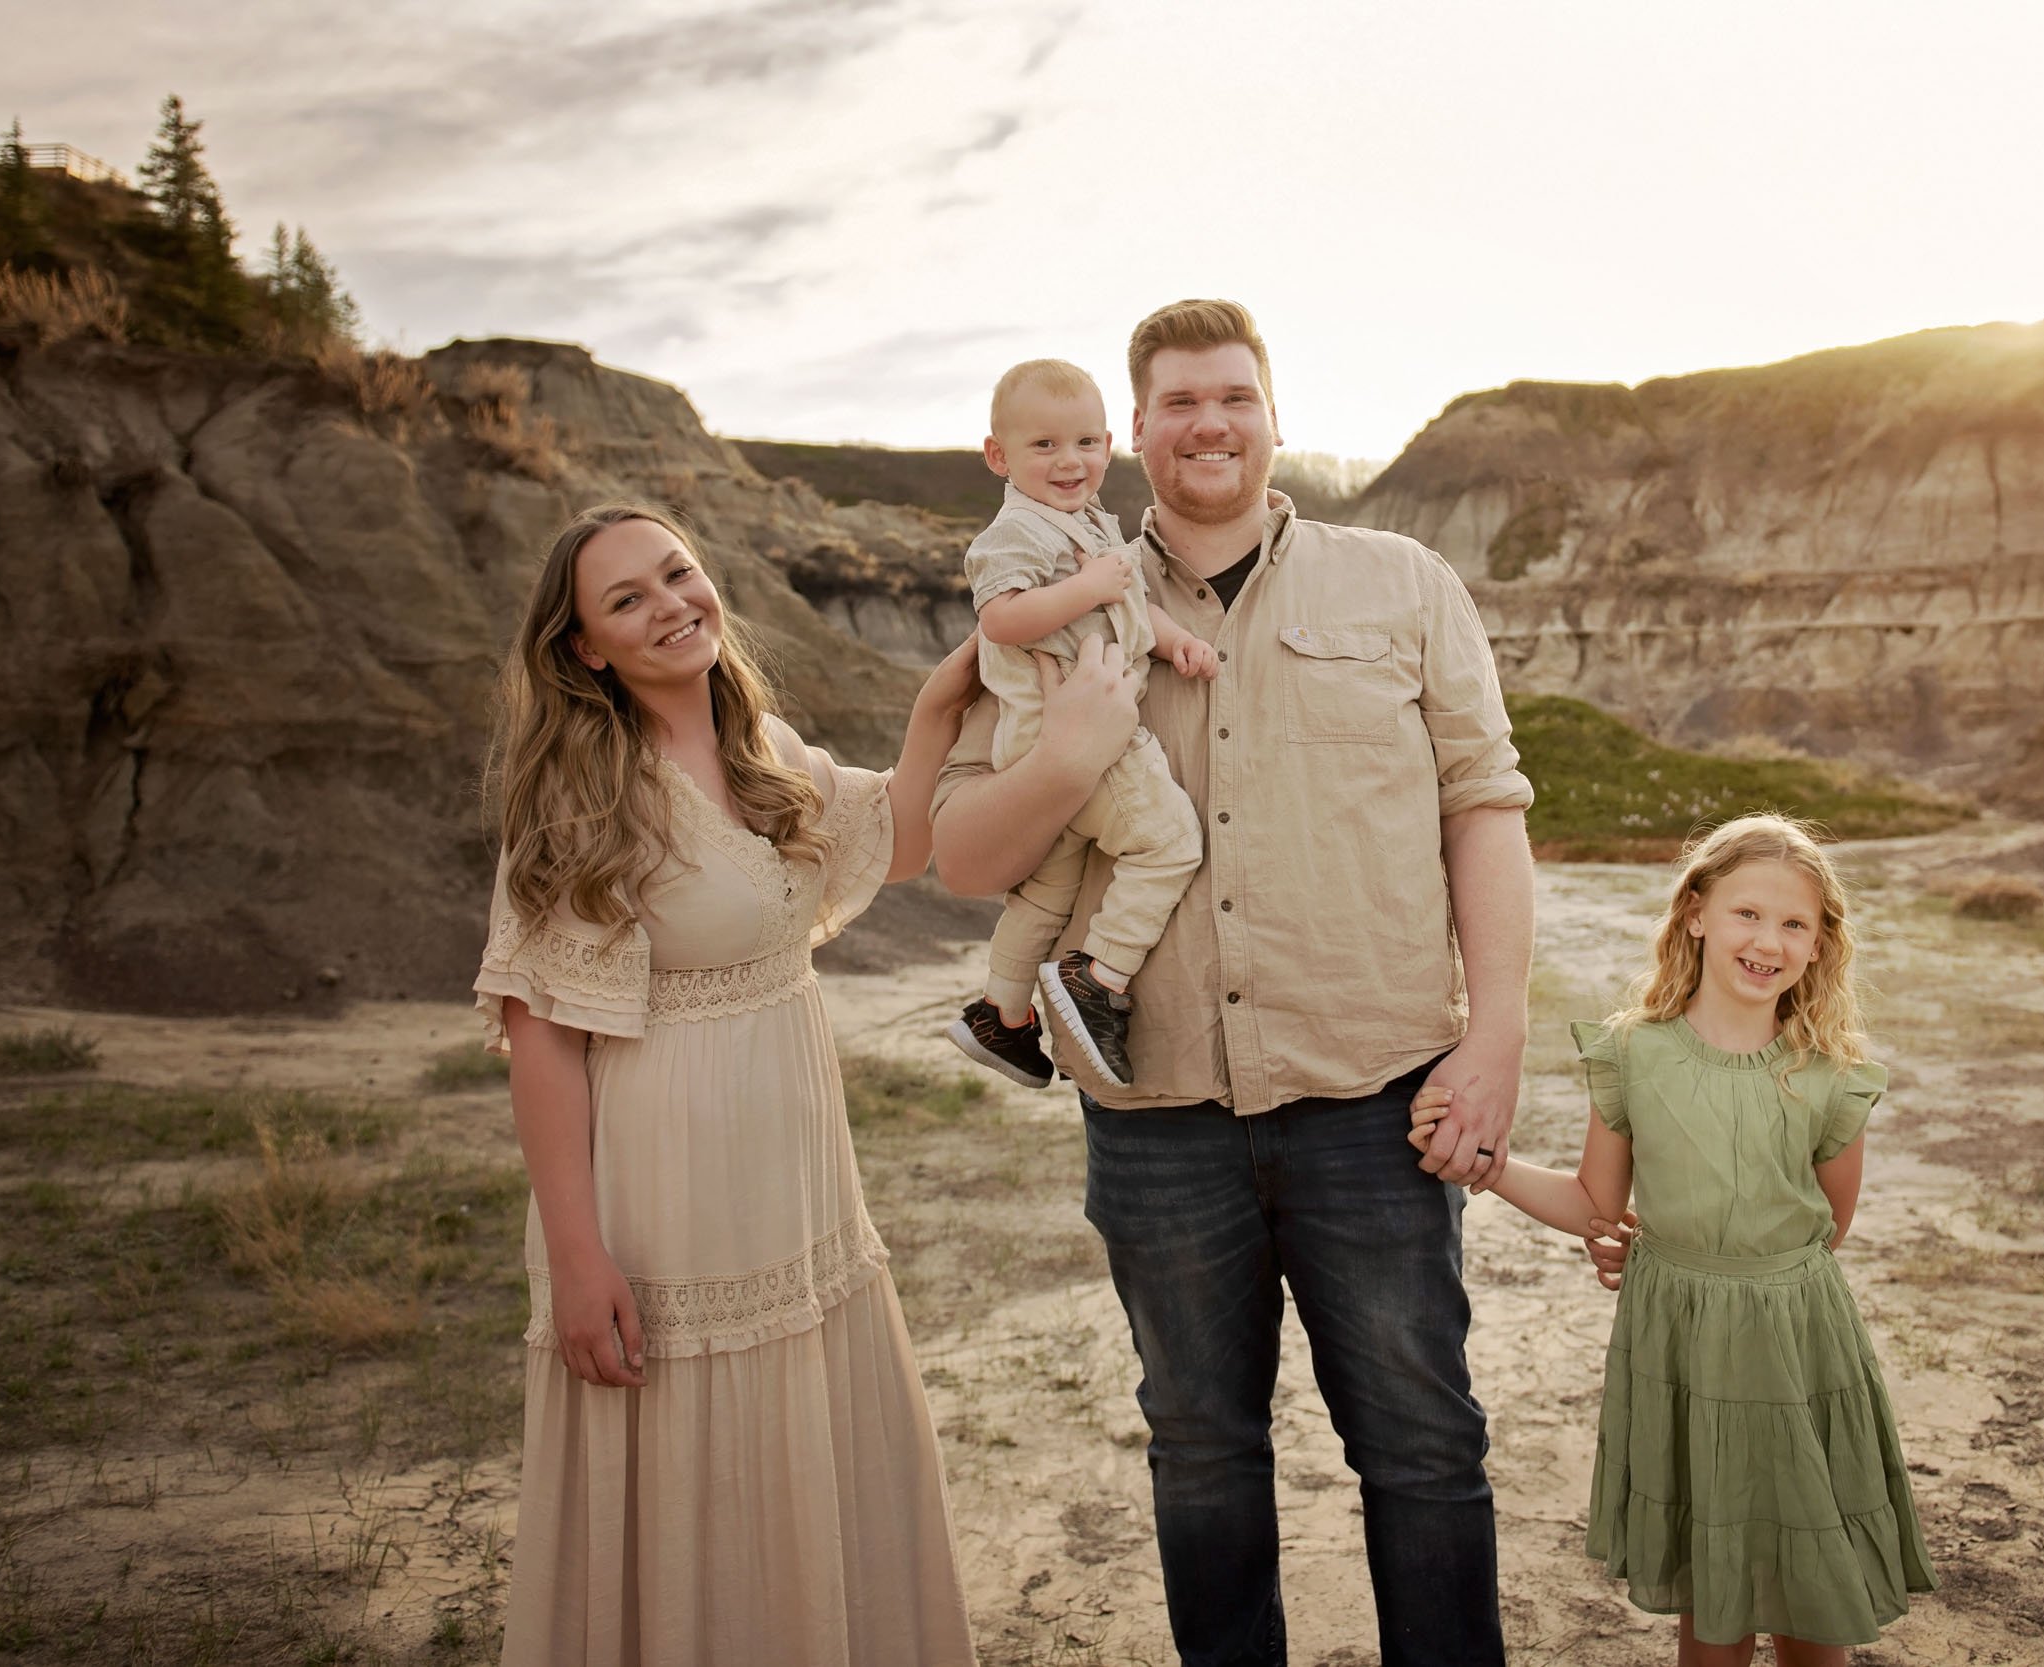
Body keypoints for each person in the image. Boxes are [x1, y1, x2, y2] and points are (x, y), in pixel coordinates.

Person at [931, 299, 1535, 1667]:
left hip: (1372, 1101)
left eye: (1234, 397)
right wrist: (1065, 753)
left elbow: (1484, 809)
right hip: (1155, 1116)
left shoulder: (1404, 583)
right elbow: (964, 855)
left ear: (1274, 416)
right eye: (1178, 403)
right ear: (1134, 433)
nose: (1209, 422)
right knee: (1202, 1452)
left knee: (1428, 1443)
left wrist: (1493, 1036)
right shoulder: (1043, 597)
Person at [474, 501, 982, 1666]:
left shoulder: (764, 750)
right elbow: (542, 1035)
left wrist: (940, 703)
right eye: (627, 598)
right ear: (584, 647)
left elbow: (895, 839)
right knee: (697, 1449)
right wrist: (575, 1254)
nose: (670, 605)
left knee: (807, 1435)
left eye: (678, 573)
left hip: (797, 1178)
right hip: (666, 1187)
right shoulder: (576, 796)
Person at [1411, 814, 1936, 1666]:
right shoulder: (1633, 1054)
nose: (1768, 940)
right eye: (1748, 913)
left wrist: (1730, 1256)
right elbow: (1594, 1201)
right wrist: (1486, 1163)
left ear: (1817, 946)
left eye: (1794, 924)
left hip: (1797, 1345)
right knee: (1713, 1594)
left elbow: (1827, 1227)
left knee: (1814, 1592)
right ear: (1695, 912)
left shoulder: (1829, 1075)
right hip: (1684, 1343)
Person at [943, 358, 1213, 1094]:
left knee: (1048, 889)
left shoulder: (1091, 520)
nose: (1072, 462)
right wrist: (1084, 585)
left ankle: (1002, 1009)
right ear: (999, 455)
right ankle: (1099, 974)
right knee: (1170, 842)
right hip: (1086, 735)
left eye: (1088, 443)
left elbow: (1123, 606)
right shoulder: (1014, 534)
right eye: (1046, 446)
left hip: (1043, 749)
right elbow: (1000, 618)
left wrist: (1172, 638)